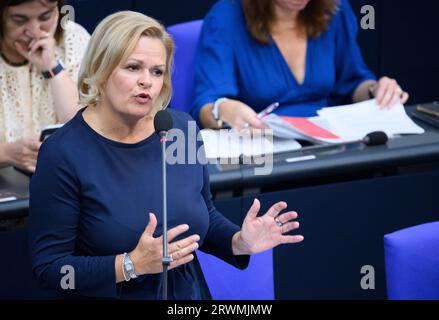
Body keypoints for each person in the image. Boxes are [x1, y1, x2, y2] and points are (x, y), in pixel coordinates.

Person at [29, 11, 304, 299]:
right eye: (133, 67)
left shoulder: (178, 129)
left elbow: (203, 215)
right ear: (101, 68)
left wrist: (239, 241)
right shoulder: (63, 154)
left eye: (157, 71)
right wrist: (130, 265)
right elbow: (51, 269)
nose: (146, 81)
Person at [192, 0, 409, 130]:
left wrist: (375, 91)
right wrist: (222, 109)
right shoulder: (226, 16)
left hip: (332, 147)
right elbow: (206, 104)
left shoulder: (334, 9)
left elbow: (354, 82)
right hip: (265, 153)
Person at [0, 0, 90, 173]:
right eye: (19, 19)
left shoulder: (73, 38)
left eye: (45, 16)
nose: (34, 32)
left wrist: (52, 67)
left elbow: (86, 132)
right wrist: (7, 153)